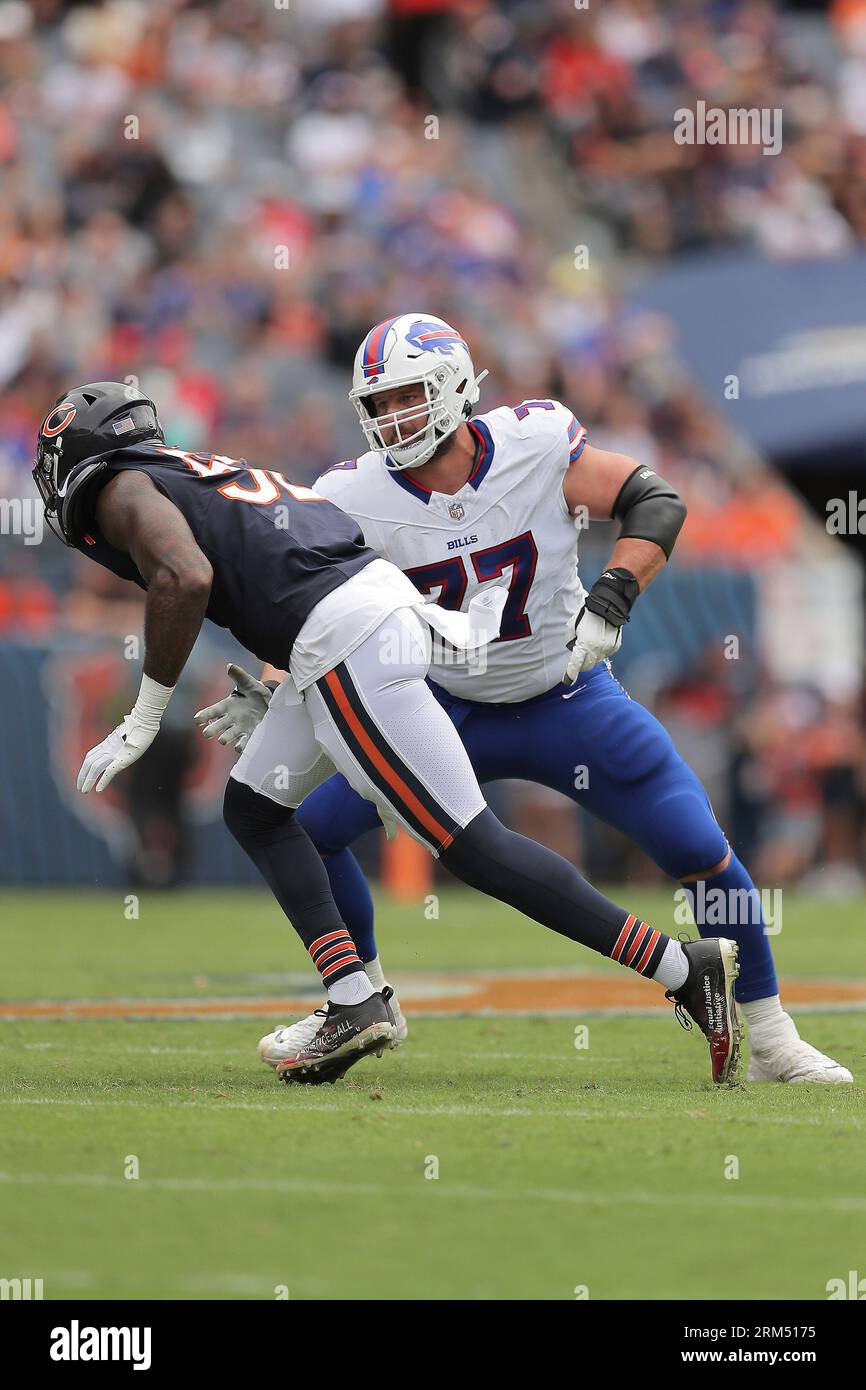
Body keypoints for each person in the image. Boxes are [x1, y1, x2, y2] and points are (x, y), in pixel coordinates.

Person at [200, 313, 851, 1086]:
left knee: (697, 846)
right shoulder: (350, 493)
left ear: (451, 388)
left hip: (565, 696)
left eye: (407, 397)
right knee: (312, 826)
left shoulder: (535, 443)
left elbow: (655, 501)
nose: (392, 418)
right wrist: (275, 690)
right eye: (378, 404)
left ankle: (772, 1036)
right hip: (435, 705)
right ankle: (361, 998)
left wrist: (614, 594)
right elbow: (314, 608)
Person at [34, 380, 743, 1087]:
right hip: (349, 623)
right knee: (255, 807)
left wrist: (145, 712)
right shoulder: (187, 470)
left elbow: (184, 578)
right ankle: (354, 996)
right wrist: (286, 683)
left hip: (344, 637)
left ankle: (682, 967)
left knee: (473, 846)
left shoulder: (120, 487)